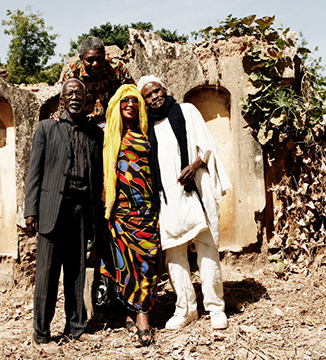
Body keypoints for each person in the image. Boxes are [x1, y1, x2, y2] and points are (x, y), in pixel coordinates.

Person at [138, 75, 232, 330]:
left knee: (207, 247)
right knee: (174, 251)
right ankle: (186, 309)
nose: (154, 96)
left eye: (156, 91)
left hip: (197, 188)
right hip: (167, 197)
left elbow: (207, 146)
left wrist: (195, 166)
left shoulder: (187, 111)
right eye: (148, 95)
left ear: (165, 89)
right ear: (143, 101)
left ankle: (215, 307)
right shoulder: (146, 126)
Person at [24, 78, 104, 351]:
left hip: (82, 210)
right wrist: (30, 210)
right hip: (51, 209)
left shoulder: (95, 134)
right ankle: (41, 334)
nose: (75, 97)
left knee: (76, 272)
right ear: (62, 98)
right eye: (70, 93)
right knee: (47, 275)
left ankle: (76, 328)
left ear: (86, 99)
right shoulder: (46, 128)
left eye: (79, 93)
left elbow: (98, 177)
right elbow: (34, 172)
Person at [101, 84, 159, 346]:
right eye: (125, 101)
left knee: (148, 263)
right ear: (116, 106)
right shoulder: (107, 136)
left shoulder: (147, 136)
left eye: (135, 101)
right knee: (125, 266)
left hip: (146, 211)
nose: (130, 105)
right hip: (120, 212)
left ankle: (143, 314)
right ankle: (133, 313)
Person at [60, 36, 135, 125]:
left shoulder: (117, 68)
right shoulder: (72, 75)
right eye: (90, 60)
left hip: (114, 123)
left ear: (104, 55)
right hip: (84, 126)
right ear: (81, 59)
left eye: (99, 59)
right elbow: (64, 106)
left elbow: (133, 94)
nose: (95, 64)